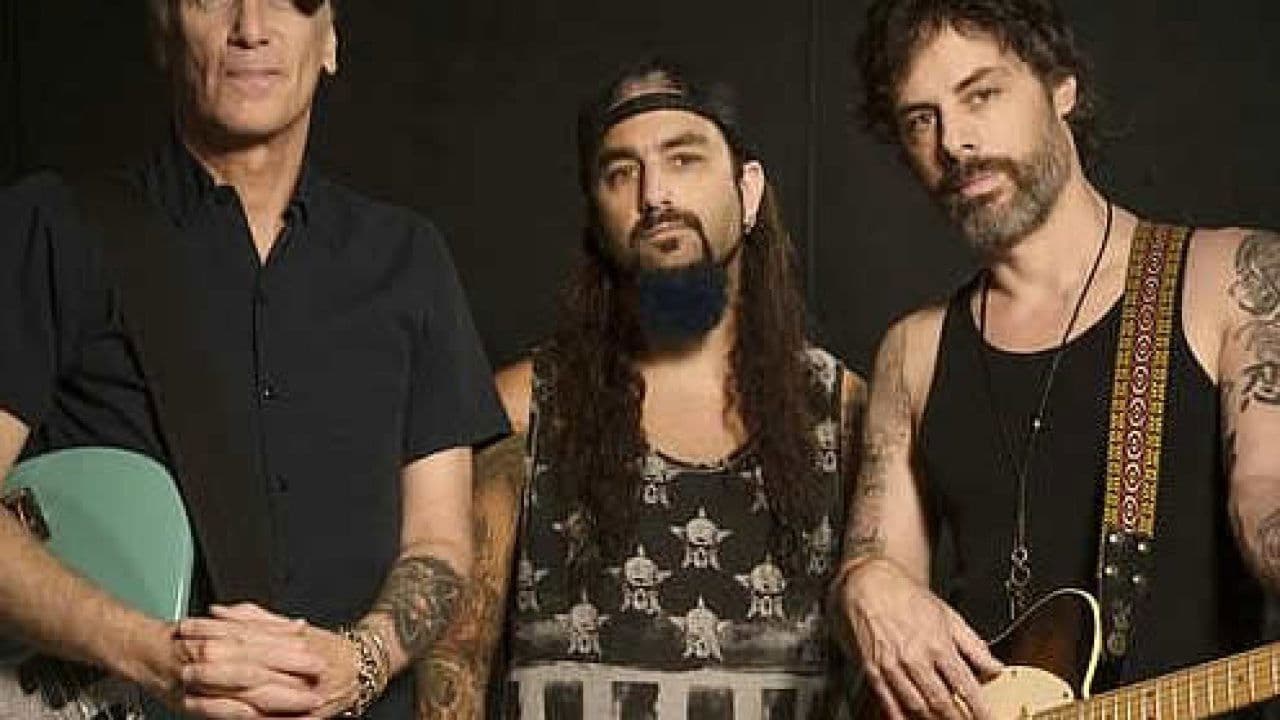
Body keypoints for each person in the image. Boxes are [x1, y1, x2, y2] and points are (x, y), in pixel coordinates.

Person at [0, 0, 508, 717]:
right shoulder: (53, 226)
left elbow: (439, 541)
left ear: (329, 42)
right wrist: (152, 653)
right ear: (163, 35)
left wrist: (357, 663)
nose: (251, 29)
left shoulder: (408, 259)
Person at [832, 1, 1279, 719]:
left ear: (1061, 86)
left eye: (981, 94)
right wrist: (862, 584)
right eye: (920, 119)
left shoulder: (1231, 279)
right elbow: (879, 564)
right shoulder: (913, 350)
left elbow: (1266, 490)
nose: (955, 142)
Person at [414, 58, 867, 719]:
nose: (655, 195)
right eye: (621, 173)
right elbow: (453, 663)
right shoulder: (521, 410)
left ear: (747, 191)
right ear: (597, 218)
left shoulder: (841, 413)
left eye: (684, 159)